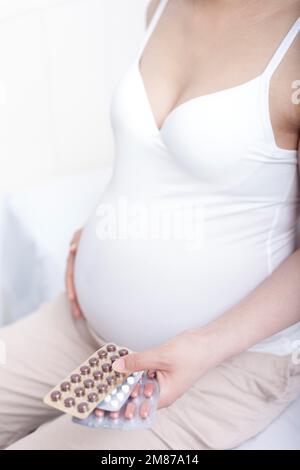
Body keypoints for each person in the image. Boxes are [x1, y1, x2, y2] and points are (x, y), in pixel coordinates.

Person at [0, 0, 299, 450]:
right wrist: (106, 227)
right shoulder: (162, 6)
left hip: (216, 369)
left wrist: (204, 347)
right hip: (81, 329)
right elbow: (153, 157)